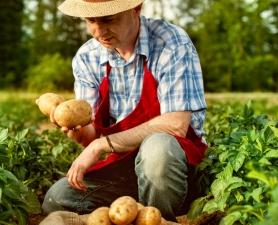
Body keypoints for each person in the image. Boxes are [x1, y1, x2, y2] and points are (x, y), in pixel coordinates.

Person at [39, 0, 208, 222]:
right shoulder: (87, 57)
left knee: (157, 147)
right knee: (58, 197)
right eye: (91, 21)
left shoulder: (170, 43)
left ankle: (158, 218)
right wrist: (72, 127)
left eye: (109, 19)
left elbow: (175, 125)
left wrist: (101, 145)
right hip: (126, 166)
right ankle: (129, 213)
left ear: (136, 9)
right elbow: (89, 135)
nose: (99, 32)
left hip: (177, 167)